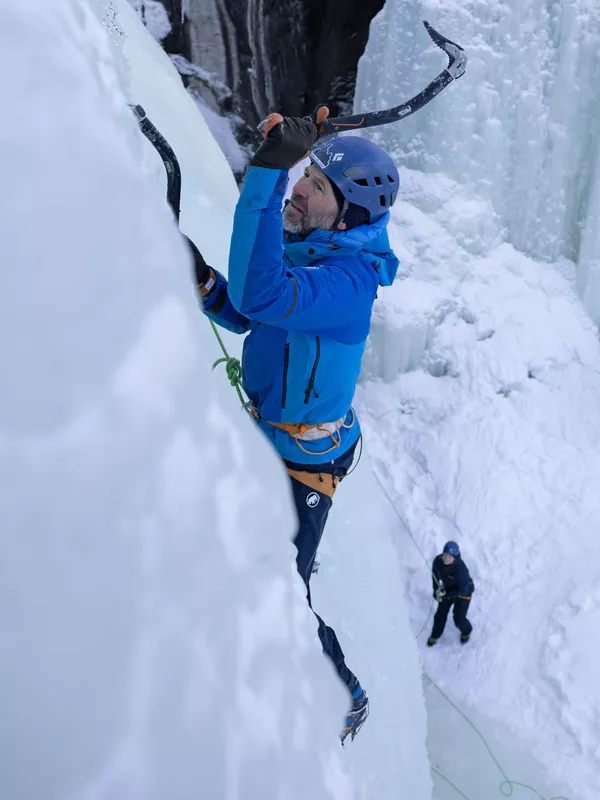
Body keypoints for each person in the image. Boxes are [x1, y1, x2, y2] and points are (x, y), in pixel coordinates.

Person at [187, 111, 400, 742]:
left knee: (284, 585)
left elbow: (263, 299)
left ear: (350, 215)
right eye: (305, 173)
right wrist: (204, 284)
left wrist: (267, 172)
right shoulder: (313, 251)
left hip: (305, 463)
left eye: (318, 187)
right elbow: (257, 320)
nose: (302, 188)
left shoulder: (348, 285)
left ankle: (345, 697)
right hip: (271, 442)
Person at [427, 541, 475, 646]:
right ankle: (435, 635)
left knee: (458, 618)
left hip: (464, 592)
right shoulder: (438, 562)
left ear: (455, 557)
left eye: (450, 556)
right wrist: (436, 590)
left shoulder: (461, 570)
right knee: (440, 614)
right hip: (448, 588)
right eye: (445, 555)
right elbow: (434, 575)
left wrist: (446, 595)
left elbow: (462, 589)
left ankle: (466, 631)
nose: (446, 558)